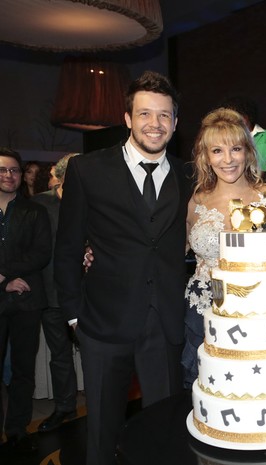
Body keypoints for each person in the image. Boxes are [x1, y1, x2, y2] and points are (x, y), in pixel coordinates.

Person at [54, 71, 192, 465]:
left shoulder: (188, 174)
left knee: (163, 430)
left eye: (164, 116)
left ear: (176, 122)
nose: (155, 124)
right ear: (128, 118)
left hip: (164, 324)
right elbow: (66, 249)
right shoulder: (87, 170)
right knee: (101, 430)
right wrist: (74, 317)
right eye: (145, 114)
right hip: (101, 323)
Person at [182, 107, 266, 387]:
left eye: (235, 148)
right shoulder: (196, 202)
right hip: (202, 314)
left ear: (248, 151)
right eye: (217, 151)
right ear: (206, 157)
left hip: (257, 313)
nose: (227, 160)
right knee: (203, 392)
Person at [0, 147, 51, 455]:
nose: (9, 175)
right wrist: (4, 281)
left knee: (22, 371)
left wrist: (5, 275)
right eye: (3, 170)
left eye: (14, 170)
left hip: (26, 302)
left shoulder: (35, 211)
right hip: (5, 291)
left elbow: (41, 253)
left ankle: (16, 429)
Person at [31, 153, 80, 432]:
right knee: (59, 354)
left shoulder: (95, 203)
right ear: (59, 178)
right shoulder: (38, 204)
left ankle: (103, 404)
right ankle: (65, 406)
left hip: (87, 294)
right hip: (51, 295)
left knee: (94, 352)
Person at [221, 96, 266, 176]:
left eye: (238, 116)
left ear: (248, 115)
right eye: (229, 117)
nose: (234, 121)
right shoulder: (221, 139)